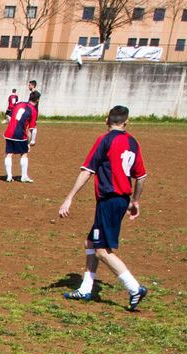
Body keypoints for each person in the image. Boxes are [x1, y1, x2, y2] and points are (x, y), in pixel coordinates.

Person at [58, 105, 149, 311]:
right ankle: (86, 288)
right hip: (121, 200)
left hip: (109, 200)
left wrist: (69, 198)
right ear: (126, 122)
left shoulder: (105, 140)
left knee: (102, 251)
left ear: (106, 120)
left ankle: (134, 288)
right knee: (90, 242)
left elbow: (87, 171)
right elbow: (141, 177)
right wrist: (135, 200)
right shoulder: (133, 142)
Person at [3, 93, 38, 182]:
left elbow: (9, 117)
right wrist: (29, 143)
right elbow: (30, 130)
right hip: (20, 134)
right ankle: (24, 176)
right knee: (24, 153)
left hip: (9, 132)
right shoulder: (33, 110)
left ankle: (9, 176)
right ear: (37, 100)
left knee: (9, 153)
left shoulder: (19, 104)